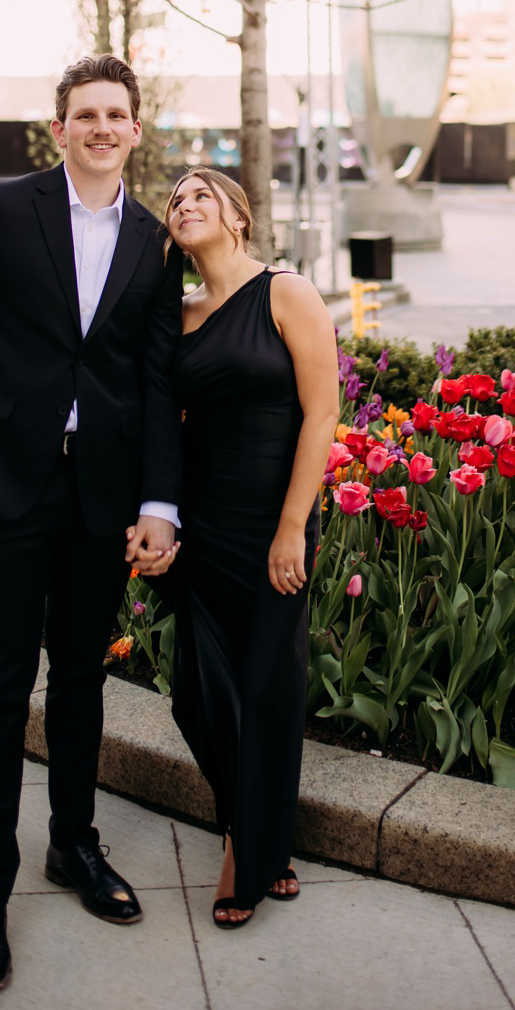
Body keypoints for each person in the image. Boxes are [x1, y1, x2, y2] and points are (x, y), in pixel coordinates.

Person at [0, 54, 186, 991]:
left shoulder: (153, 240)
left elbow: (153, 380)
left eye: (117, 114)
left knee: (78, 682)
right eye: (85, 114)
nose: (102, 127)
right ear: (59, 127)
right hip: (1, 488)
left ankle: (74, 843)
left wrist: (157, 503)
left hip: (99, 497)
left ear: (136, 130)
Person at [146, 168, 336, 928]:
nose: (184, 203)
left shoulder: (287, 293)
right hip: (203, 525)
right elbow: (162, 421)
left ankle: (243, 849)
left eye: (200, 195)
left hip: (272, 524)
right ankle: (256, 832)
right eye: (175, 199)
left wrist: (293, 525)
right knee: (197, 692)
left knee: (263, 687)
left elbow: (322, 412)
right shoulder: (179, 314)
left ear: (238, 215)